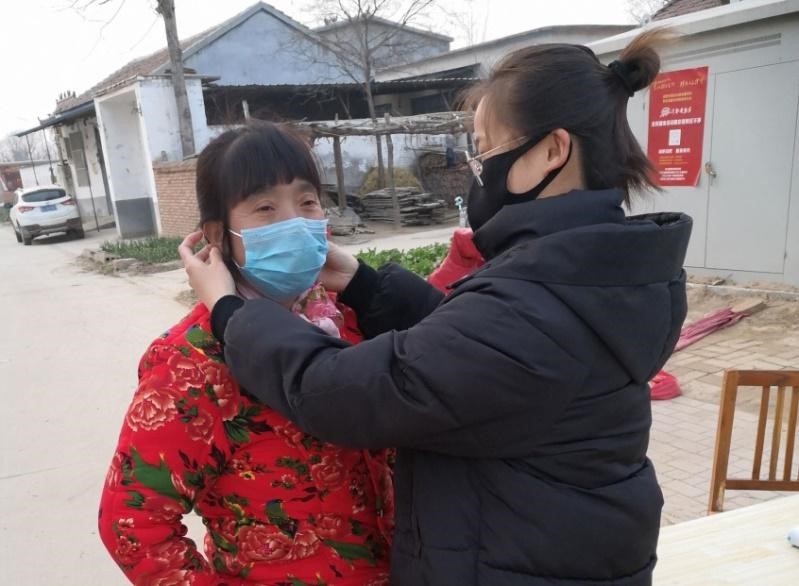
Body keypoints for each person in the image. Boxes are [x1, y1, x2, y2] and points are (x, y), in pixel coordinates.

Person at [181, 29, 692, 586]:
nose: (477, 168)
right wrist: (365, 286)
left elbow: (341, 392)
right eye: (264, 209)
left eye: (485, 149)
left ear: (553, 149)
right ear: (219, 231)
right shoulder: (597, 272)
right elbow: (465, 352)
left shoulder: (537, 300)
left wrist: (231, 313)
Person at [99, 122, 393, 586]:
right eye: (265, 208)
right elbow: (132, 523)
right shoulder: (192, 361)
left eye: (307, 202)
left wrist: (368, 286)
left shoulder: (348, 318)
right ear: (218, 235)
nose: (294, 222)